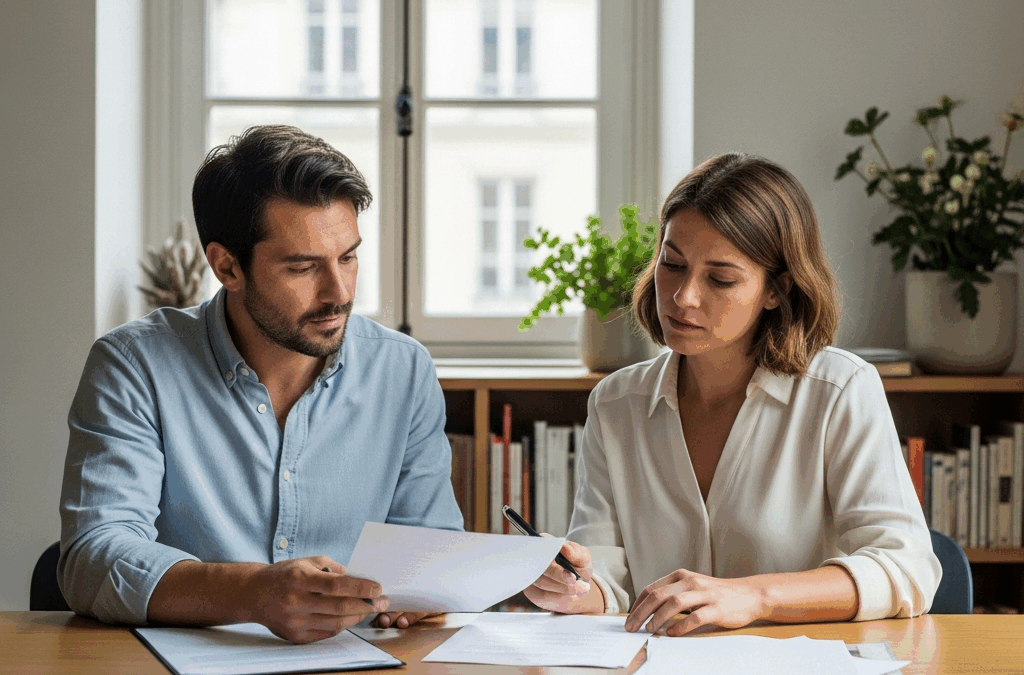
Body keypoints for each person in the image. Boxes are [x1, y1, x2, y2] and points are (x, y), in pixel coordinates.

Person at [59, 125, 463, 644]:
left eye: (348, 257)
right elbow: (93, 558)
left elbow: (430, 548)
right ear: (227, 266)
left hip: (360, 659)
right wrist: (252, 593)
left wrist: (427, 593)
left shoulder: (403, 370)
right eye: (303, 267)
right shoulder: (134, 365)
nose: (339, 293)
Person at [523, 152, 940, 635]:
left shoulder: (840, 391)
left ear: (776, 289)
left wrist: (756, 596)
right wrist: (571, 586)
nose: (683, 297)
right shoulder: (616, 403)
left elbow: (907, 567)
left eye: (720, 278)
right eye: (672, 264)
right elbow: (610, 584)